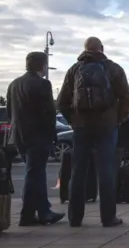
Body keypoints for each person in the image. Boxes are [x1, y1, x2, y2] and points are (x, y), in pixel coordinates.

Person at [57, 37, 129, 227]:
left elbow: (61, 102)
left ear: (84, 50)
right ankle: (108, 217)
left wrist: (73, 120)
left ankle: (75, 218)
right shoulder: (113, 68)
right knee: (105, 170)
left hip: (81, 127)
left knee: (78, 171)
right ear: (102, 48)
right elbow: (126, 98)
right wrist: (118, 119)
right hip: (107, 126)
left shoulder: (74, 70)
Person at [6, 52, 65, 226]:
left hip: (19, 136)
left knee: (33, 173)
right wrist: (51, 134)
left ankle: (33, 213)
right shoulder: (43, 84)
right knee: (36, 174)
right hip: (38, 135)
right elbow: (48, 113)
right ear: (42, 65)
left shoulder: (14, 84)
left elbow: (11, 112)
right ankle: (35, 214)